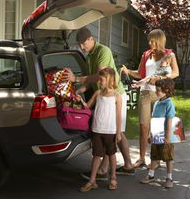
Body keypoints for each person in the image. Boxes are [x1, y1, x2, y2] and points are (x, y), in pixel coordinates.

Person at [64, 27, 134, 179]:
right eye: (80, 44)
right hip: (103, 96)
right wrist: (77, 92)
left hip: (115, 96)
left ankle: (105, 169)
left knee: (115, 132)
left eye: (84, 43)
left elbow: (98, 76)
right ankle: (126, 166)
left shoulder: (103, 51)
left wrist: (76, 79)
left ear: (91, 39)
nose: (82, 47)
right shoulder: (89, 55)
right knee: (114, 132)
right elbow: (90, 82)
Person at [121, 29, 179, 169]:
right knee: (143, 127)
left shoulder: (169, 55)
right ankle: (141, 158)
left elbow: (175, 73)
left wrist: (159, 78)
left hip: (160, 95)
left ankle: (156, 160)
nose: (150, 43)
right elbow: (140, 74)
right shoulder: (146, 55)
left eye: (152, 40)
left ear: (159, 40)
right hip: (145, 93)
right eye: (149, 40)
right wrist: (128, 71)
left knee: (157, 128)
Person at [79, 68, 121, 192]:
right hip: (97, 130)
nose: (99, 82)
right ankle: (92, 181)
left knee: (111, 154)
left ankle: (113, 177)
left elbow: (119, 116)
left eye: (101, 80)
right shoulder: (97, 93)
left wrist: (118, 132)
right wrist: (80, 100)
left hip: (111, 131)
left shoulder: (117, 96)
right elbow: (87, 106)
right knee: (96, 155)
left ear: (109, 80)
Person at [140, 78, 176, 188]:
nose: (156, 92)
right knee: (154, 155)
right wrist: (150, 134)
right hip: (156, 133)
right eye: (156, 89)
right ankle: (151, 175)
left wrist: (168, 136)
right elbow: (153, 119)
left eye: (159, 90)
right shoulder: (156, 103)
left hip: (166, 135)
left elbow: (170, 120)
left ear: (167, 91)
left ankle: (169, 178)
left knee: (168, 157)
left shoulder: (169, 104)